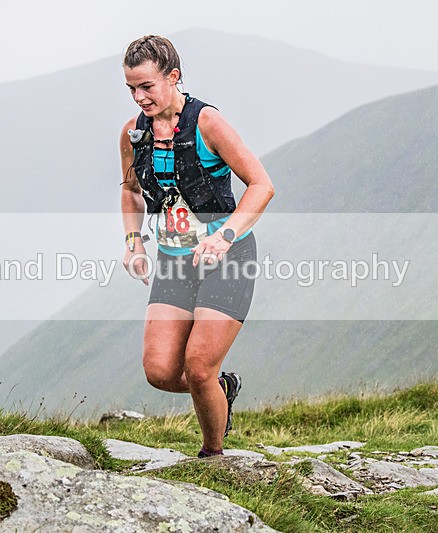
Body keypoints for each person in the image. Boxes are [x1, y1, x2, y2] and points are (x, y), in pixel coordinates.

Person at [119, 35, 274, 458]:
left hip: (228, 256)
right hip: (174, 258)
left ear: (173, 77)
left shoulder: (208, 123)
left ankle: (212, 455)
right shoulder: (134, 133)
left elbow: (261, 185)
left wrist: (225, 237)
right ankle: (221, 389)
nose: (139, 97)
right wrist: (134, 242)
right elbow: (131, 192)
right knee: (161, 371)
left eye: (147, 86)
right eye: (131, 88)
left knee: (199, 366)